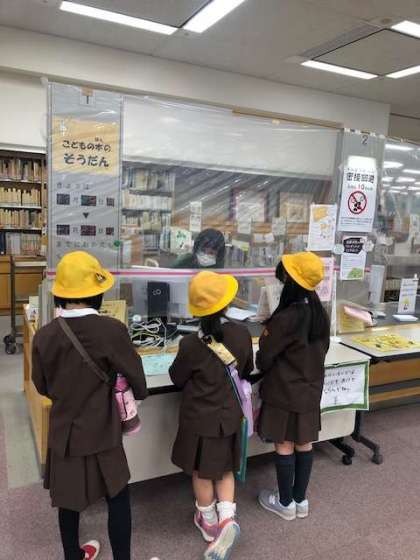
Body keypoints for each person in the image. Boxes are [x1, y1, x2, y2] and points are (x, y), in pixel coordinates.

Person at [32, 251, 148, 560]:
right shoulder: (112, 330)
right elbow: (137, 377)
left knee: (67, 502)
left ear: (60, 294)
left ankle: (73, 555)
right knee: (118, 497)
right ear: (97, 293)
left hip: (65, 433)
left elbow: (42, 386)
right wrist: (135, 394)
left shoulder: (43, 336)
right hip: (103, 430)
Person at [169, 270, 254, 560]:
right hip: (229, 415)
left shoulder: (190, 344)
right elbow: (246, 369)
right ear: (226, 303)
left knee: (202, 472)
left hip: (199, 419)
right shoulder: (242, 334)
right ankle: (227, 518)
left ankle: (207, 522)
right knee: (225, 468)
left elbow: (177, 378)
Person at [256, 252, 330, 521]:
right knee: (304, 442)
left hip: (283, 392)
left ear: (290, 282)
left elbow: (264, 357)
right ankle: (300, 499)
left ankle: (285, 503)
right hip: (310, 391)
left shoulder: (286, 317)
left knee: (284, 443)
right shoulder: (320, 313)